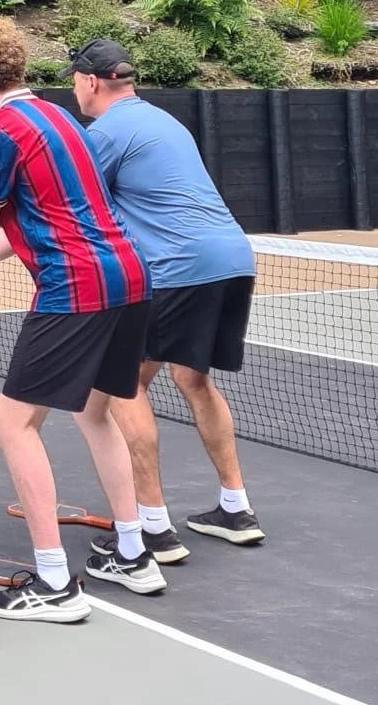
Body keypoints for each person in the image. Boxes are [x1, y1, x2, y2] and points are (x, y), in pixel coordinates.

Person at [0, 16, 168, 620]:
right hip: (130, 276)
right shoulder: (60, 118)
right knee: (97, 411)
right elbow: (15, 236)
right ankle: (132, 553)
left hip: (78, 286)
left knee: (12, 423)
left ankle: (52, 583)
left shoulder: (1, 133)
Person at [71, 38, 263, 560]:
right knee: (192, 376)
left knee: (125, 382)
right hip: (233, 259)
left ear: (90, 82)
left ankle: (153, 527)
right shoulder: (165, 121)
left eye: (74, 81)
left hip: (178, 269)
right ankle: (235, 508)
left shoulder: (103, 133)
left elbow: (80, 211)